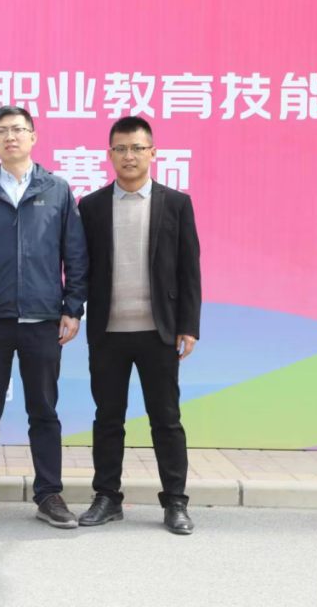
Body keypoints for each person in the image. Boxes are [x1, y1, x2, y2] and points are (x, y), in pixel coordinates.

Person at [0, 105, 89, 529]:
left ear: (33, 136)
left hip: (43, 321)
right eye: (1, 131)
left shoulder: (57, 190)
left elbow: (75, 254)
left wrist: (72, 307)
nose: (10, 137)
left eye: (18, 129)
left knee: (44, 411)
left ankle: (49, 495)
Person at [76, 116, 201, 535]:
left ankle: (176, 502)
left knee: (166, 419)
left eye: (137, 148)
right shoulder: (91, 206)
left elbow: (189, 270)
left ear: (152, 152)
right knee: (107, 418)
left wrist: (188, 326)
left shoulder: (176, 203)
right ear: (110, 154)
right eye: (120, 149)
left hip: (158, 331)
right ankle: (107, 497)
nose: (128, 156)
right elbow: (80, 267)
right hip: (107, 332)